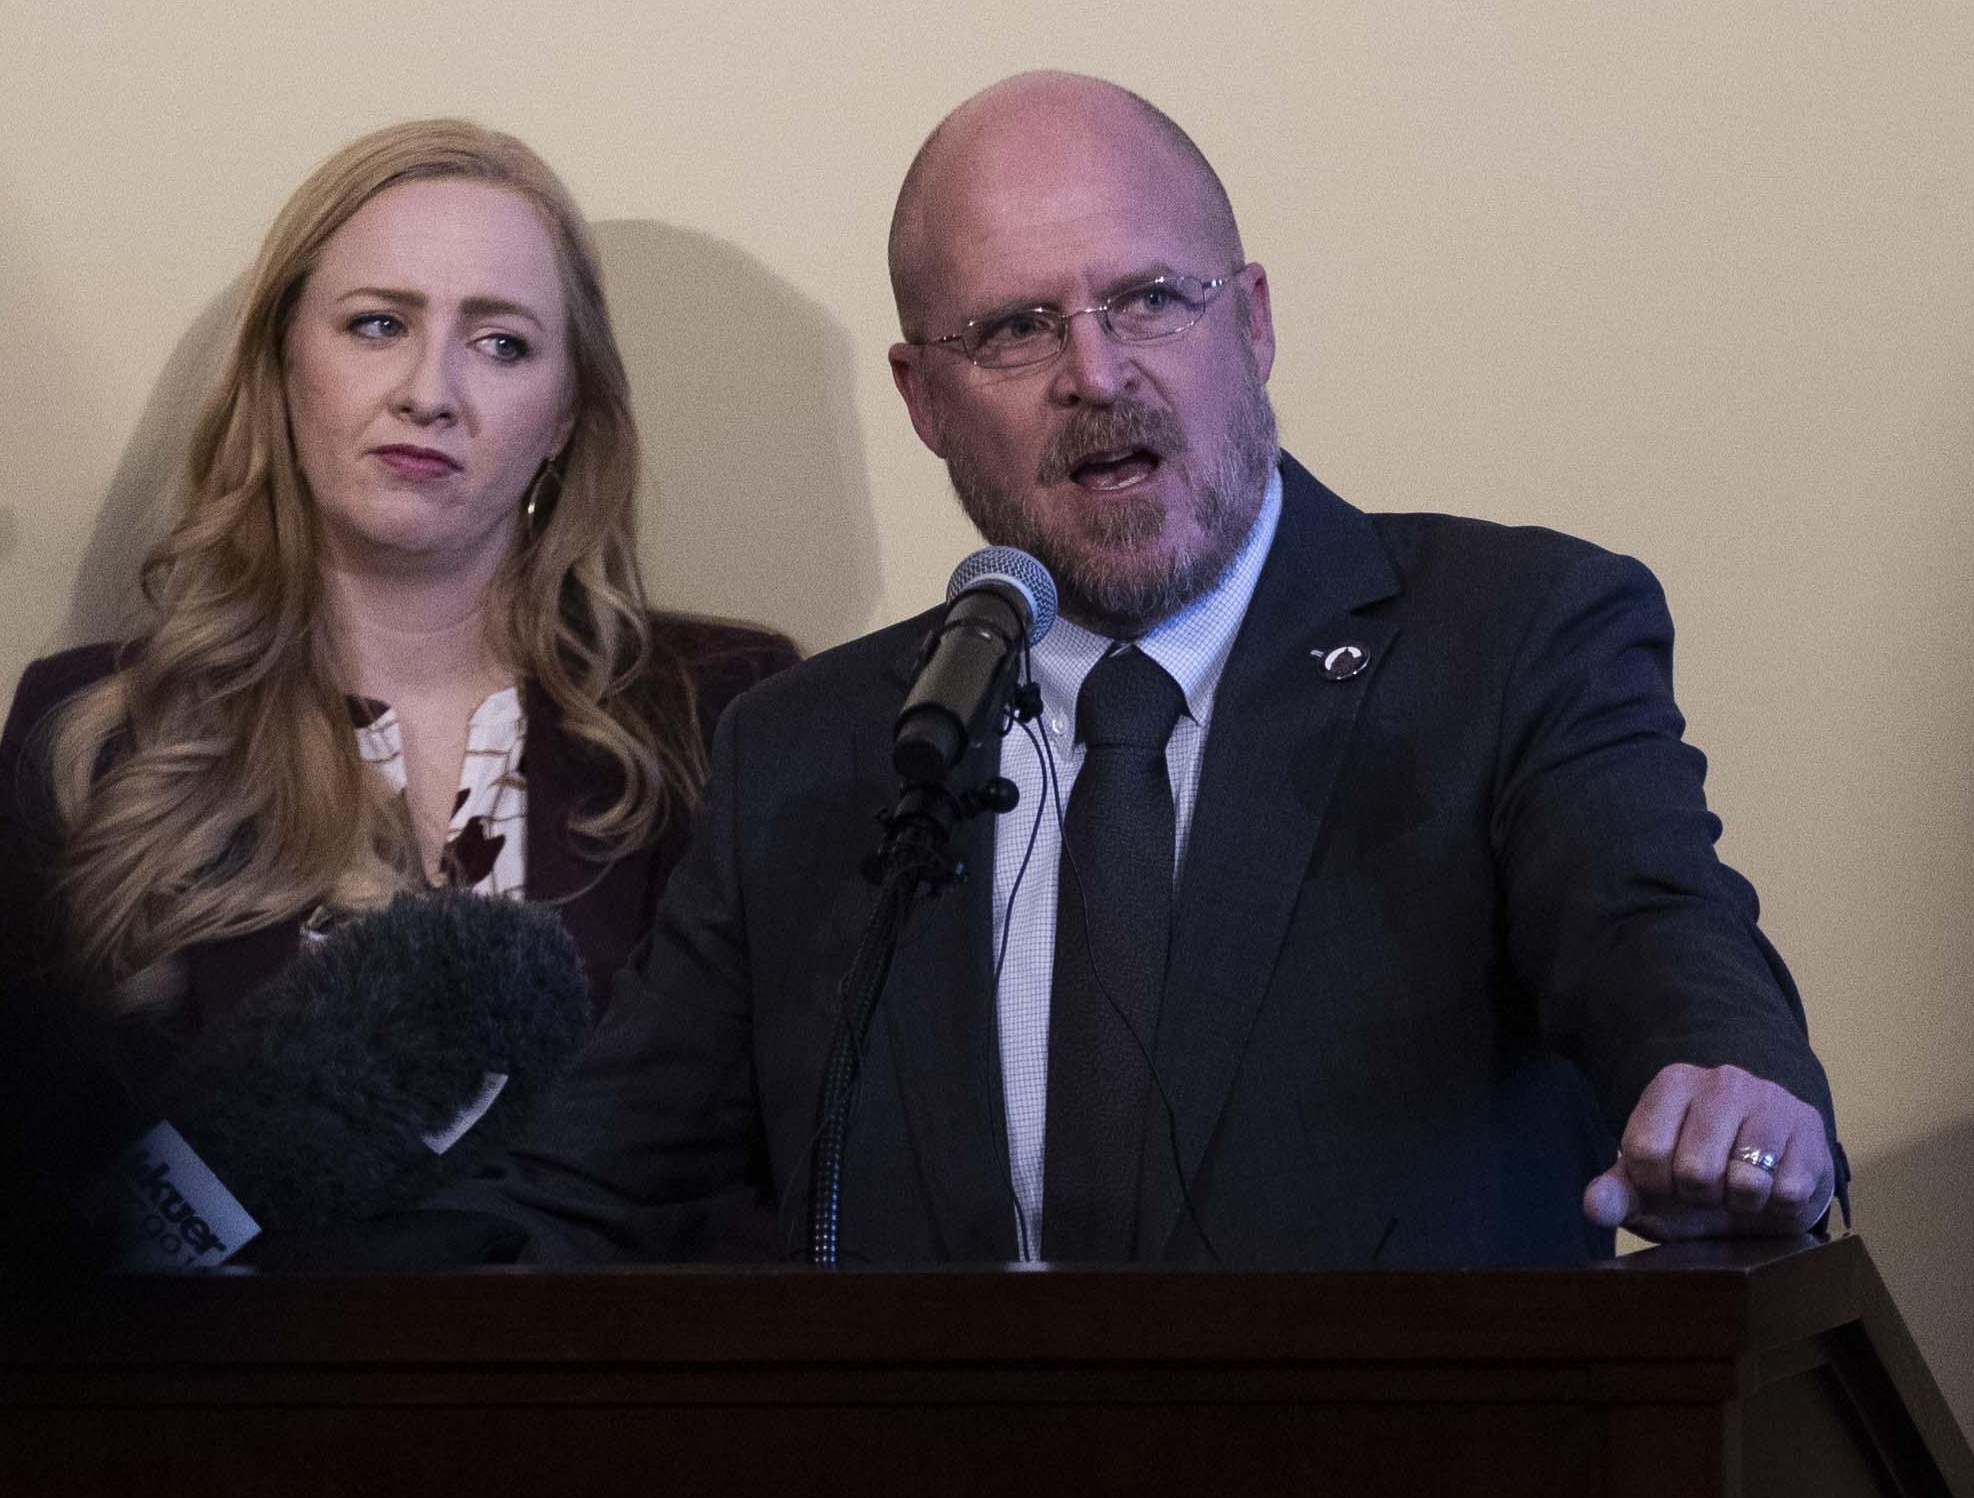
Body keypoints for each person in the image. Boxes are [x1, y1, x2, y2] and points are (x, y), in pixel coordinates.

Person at [466, 71, 1835, 1266]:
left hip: (1412, 1482)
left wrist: (1735, 1096)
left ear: (1253, 321)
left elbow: (1653, 930)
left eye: (1149, 299)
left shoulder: (1509, 640)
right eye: (1014, 328)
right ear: (923, 399)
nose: (1095, 370)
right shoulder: (812, 753)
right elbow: (590, 1201)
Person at [0, 120, 793, 1093]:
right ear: (281, 363)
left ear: (565, 415)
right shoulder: (92, 734)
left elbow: (790, 1126)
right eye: (379, 325)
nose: (429, 393)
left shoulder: (729, 711)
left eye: (501, 343)